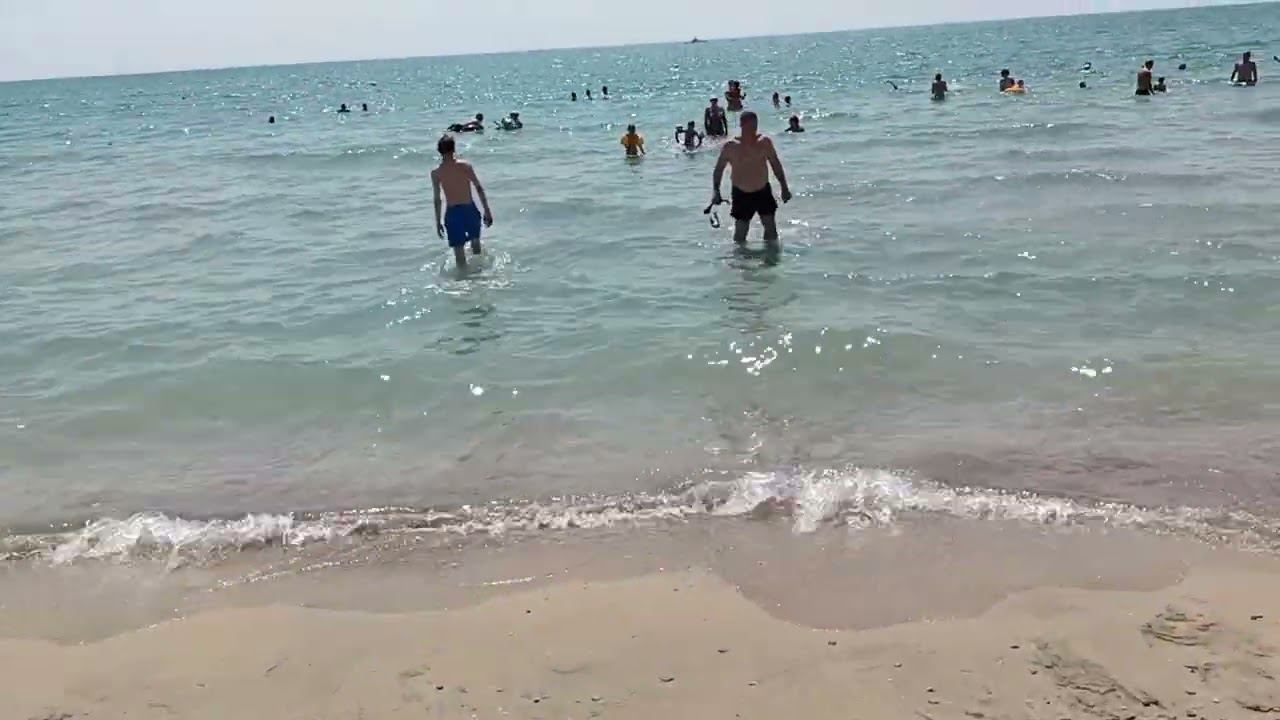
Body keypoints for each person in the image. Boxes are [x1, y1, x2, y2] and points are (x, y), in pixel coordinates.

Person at [711, 111, 792, 248]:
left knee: (771, 230)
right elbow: (718, 170)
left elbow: (776, 165)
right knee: (741, 234)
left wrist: (784, 187)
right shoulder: (731, 146)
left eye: (755, 125)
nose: (754, 129)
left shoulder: (764, 142)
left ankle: (771, 257)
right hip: (741, 193)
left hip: (762, 190)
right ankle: (740, 259)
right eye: (751, 126)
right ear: (742, 125)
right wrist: (716, 191)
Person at [431, 135, 494, 270]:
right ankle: (480, 273)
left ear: (439, 151)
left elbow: (437, 200)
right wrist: (487, 211)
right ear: (453, 149)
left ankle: (463, 278)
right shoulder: (465, 166)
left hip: (452, 213)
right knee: (476, 244)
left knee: (458, 252)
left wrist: (438, 222)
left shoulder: (436, 173)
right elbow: (478, 188)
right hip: (469, 209)